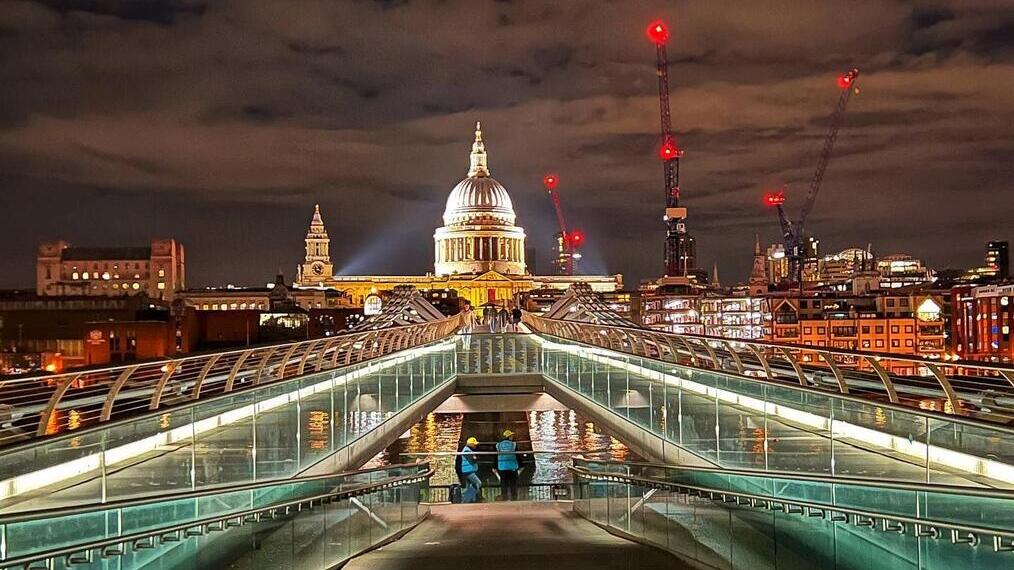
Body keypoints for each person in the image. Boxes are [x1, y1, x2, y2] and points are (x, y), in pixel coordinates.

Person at [496, 429, 519, 501]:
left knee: (503, 483)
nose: (512, 437)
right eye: (511, 436)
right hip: (512, 466)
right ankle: (514, 498)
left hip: (502, 467)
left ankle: (504, 498)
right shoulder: (514, 444)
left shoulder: (498, 445)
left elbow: (496, 455)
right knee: (513, 483)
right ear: (509, 437)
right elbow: (517, 454)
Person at [460, 436, 482, 503]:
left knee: (469, 486)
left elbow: (474, 458)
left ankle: (470, 500)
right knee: (478, 483)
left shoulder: (467, 450)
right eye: (474, 444)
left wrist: (475, 457)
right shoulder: (467, 450)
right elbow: (473, 460)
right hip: (469, 471)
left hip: (467, 470)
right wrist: (475, 458)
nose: (476, 445)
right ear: (471, 444)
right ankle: (464, 497)